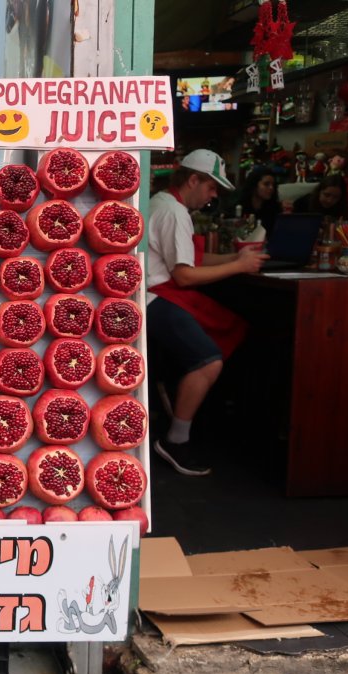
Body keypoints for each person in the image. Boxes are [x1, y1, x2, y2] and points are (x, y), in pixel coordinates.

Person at [147, 150, 269, 476]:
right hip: (153, 299)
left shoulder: (162, 203)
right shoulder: (174, 213)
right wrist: (238, 266)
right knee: (208, 360)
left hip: (158, 294)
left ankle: (190, 419)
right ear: (193, 180)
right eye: (212, 187)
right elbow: (185, 275)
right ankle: (176, 440)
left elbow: (192, 261)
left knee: (227, 332)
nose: (213, 195)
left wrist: (235, 258)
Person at [230, 167, 283, 235]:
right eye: (266, 184)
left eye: (273, 185)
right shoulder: (239, 206)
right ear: (254, 185)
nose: (271, 188)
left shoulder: (275, 208)